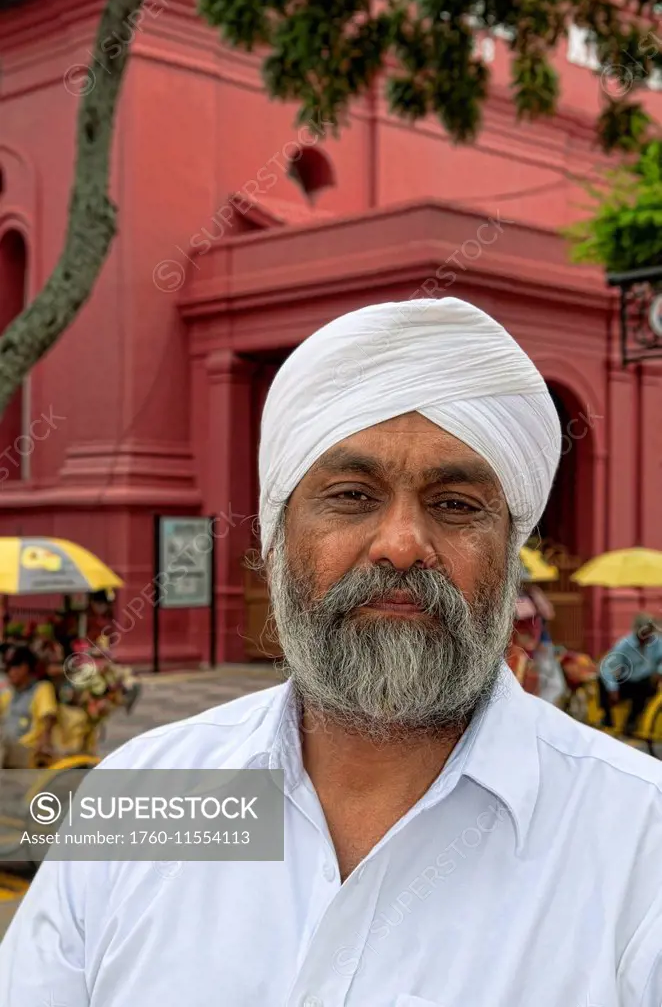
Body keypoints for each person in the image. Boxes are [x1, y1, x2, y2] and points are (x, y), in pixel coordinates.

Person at [2, 297, 662, 1006]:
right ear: (277, 538)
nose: (402, 544)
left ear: (509, 548)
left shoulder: (636, 843)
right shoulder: (146, 794)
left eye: (457, 504)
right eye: (351, 495)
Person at [598, 613, 662, 735]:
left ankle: (631, 722)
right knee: (601, 680)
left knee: (645, 687)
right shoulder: (624, 644)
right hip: (628, 682)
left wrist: (659, 672)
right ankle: (607, 719)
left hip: (646, 682)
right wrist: (613, 689)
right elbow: (608, 667)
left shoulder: (657, 643)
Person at [0, 645, 58, 768]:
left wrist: (45, 742)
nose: (10, 672)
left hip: (27, 750)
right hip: (7, 750)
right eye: (7, 668)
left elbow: (48, 717)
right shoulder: (8, 694)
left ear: (26, 667)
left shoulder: (42, 688)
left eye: (14, 666)